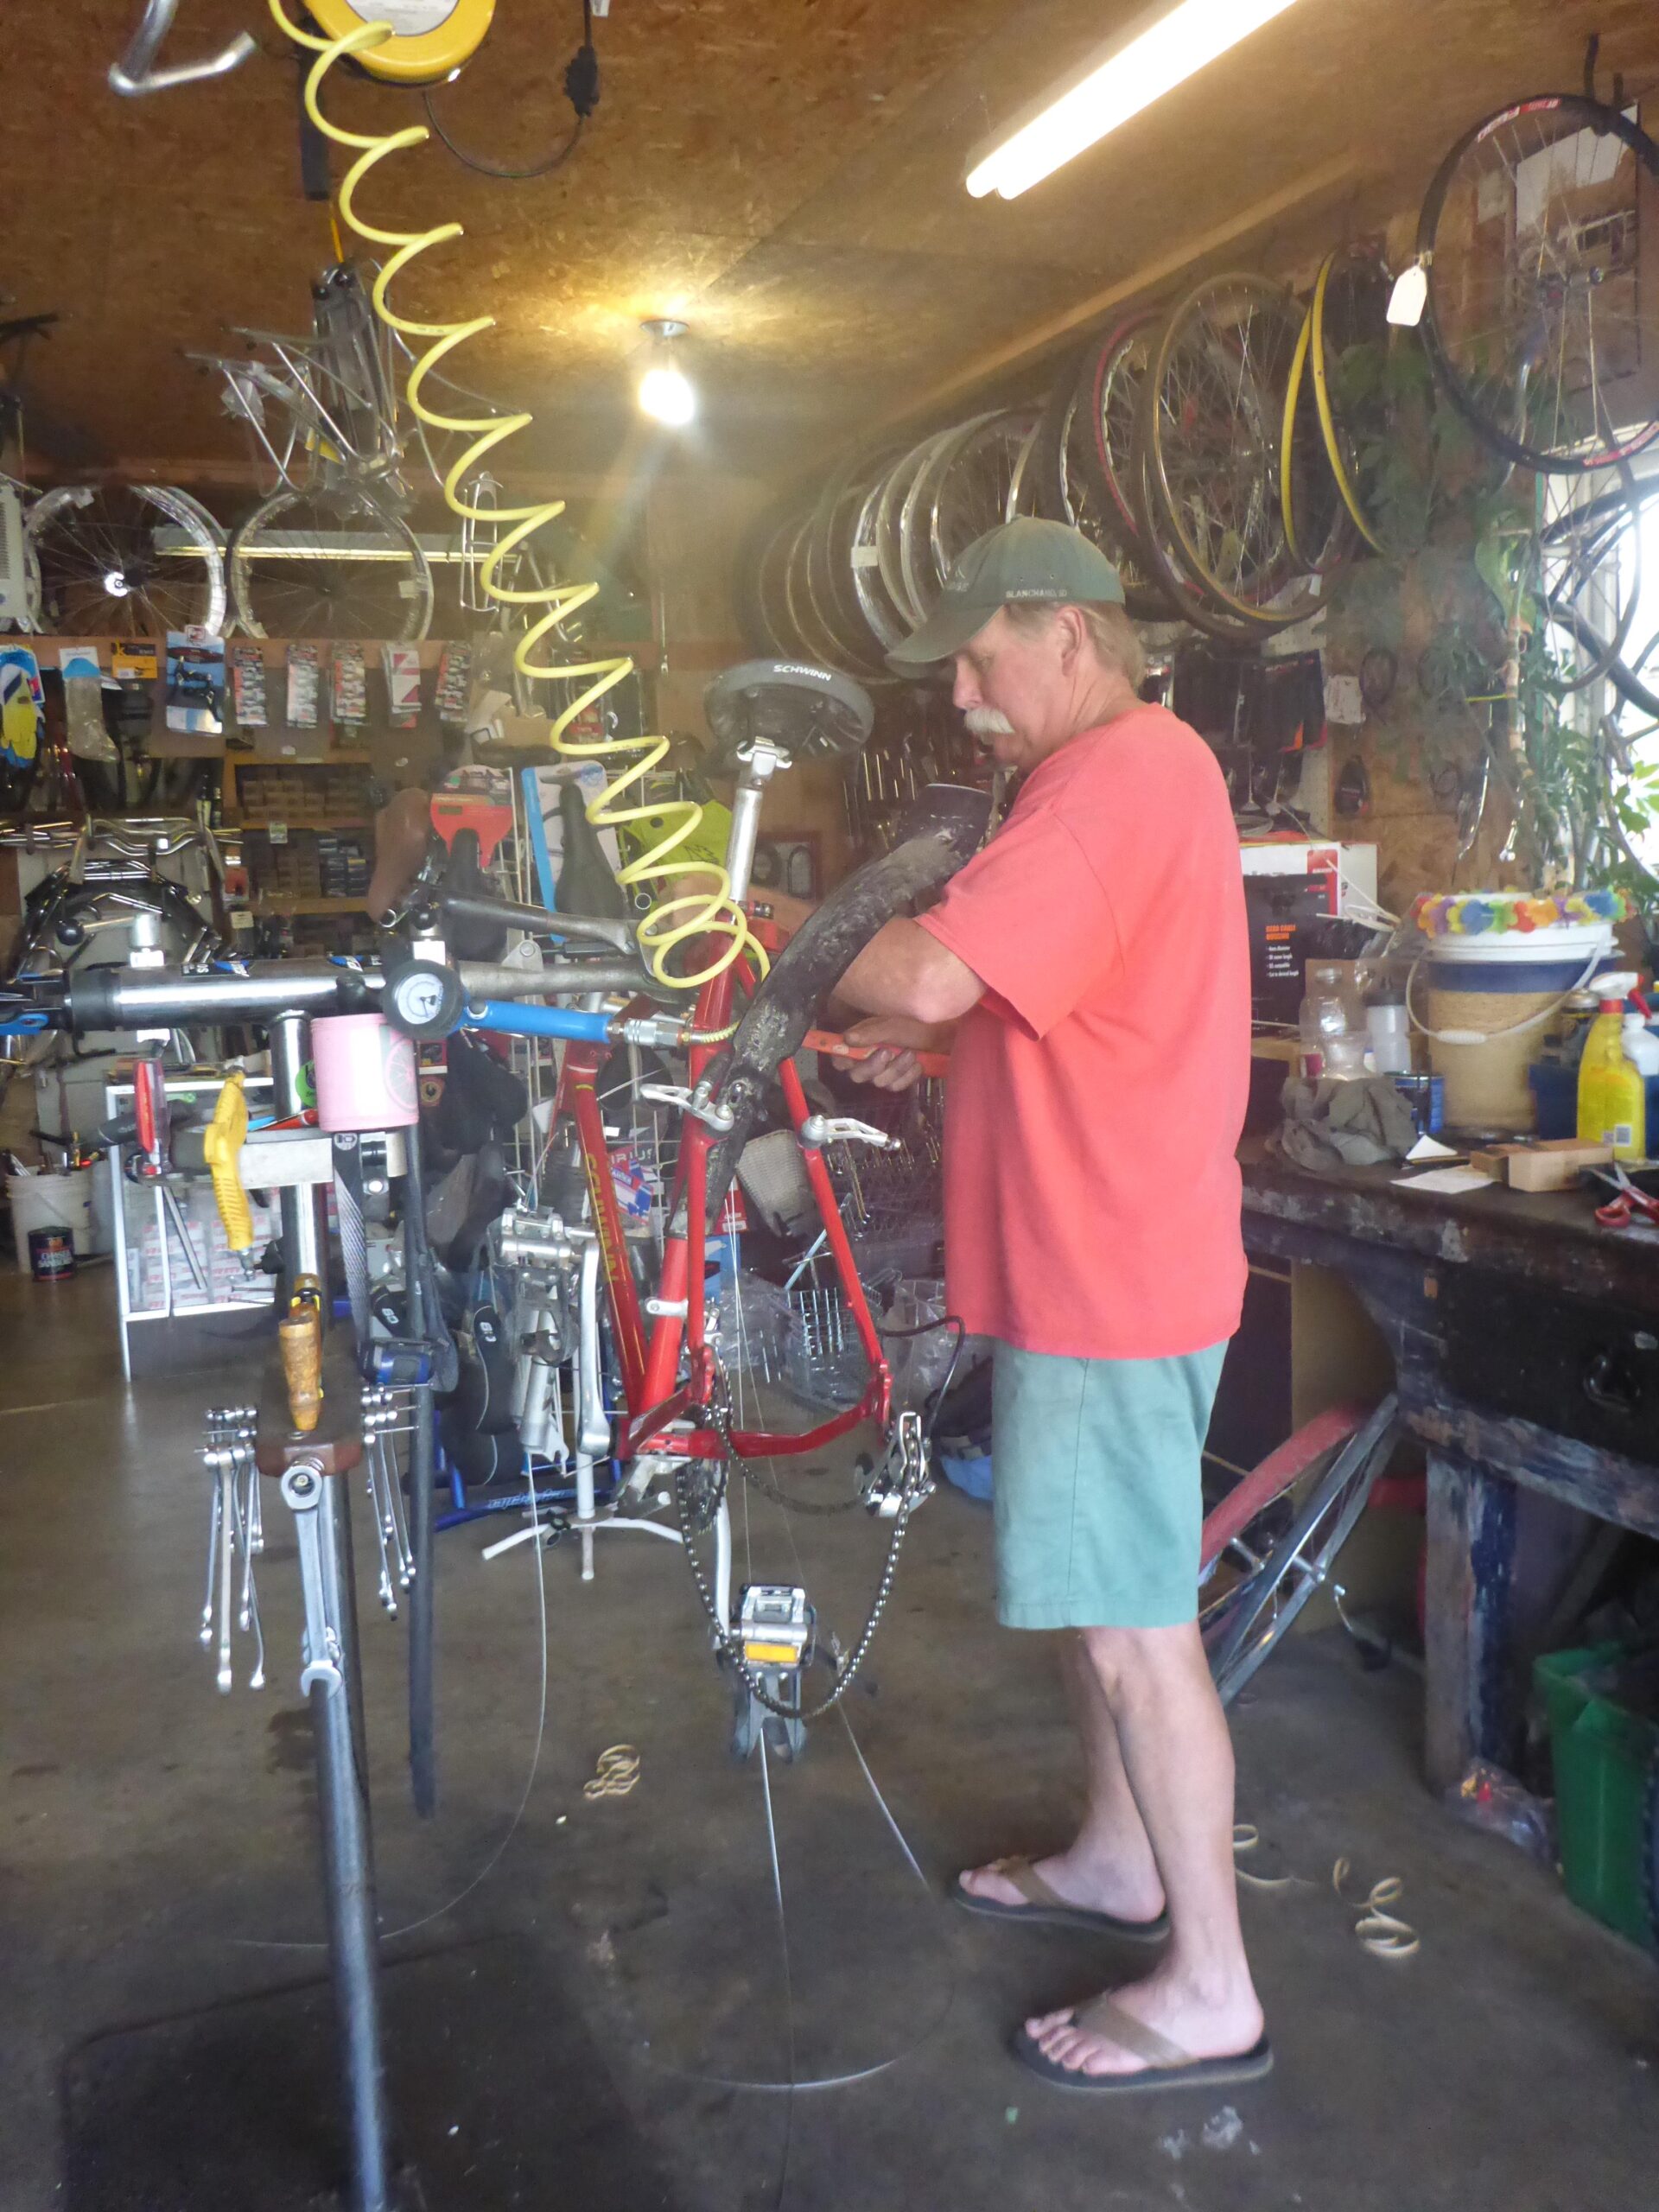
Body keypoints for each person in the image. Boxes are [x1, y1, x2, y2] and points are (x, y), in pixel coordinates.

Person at [830, 517, 1267, 2094]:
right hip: (1118, 1254)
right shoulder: (1128, 775)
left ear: (1068, 633)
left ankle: (1213, 1981)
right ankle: (1113, 1858)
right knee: (1107, 1603)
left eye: (976, 652)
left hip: (1109, 1273)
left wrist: (789, 951)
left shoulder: (1113, 777)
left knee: (1144, 1635)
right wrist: (949, 1046)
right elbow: (1071, 1000)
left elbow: (940, 969)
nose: (959, 690)